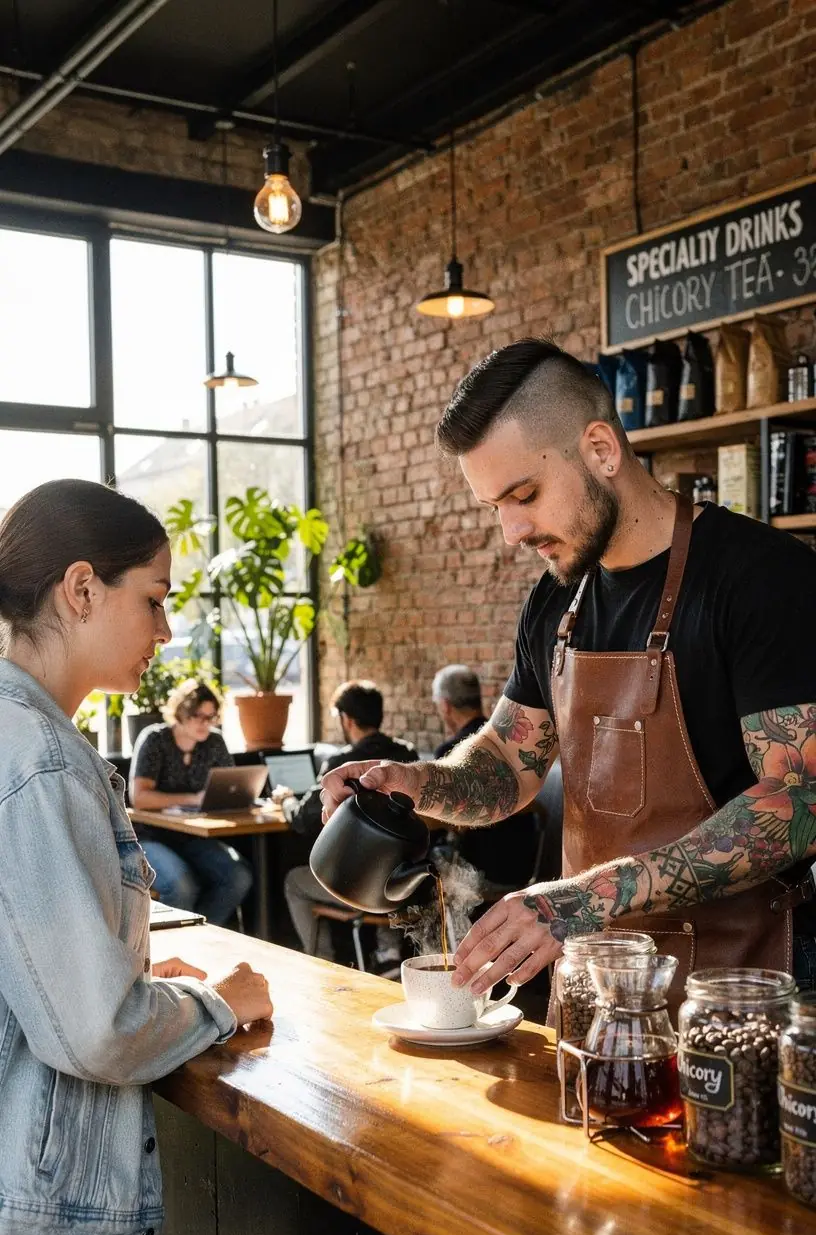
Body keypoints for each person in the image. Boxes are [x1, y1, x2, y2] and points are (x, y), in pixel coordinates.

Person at [322, 337, 816, 1008]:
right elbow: (506, 766)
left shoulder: (760, 578)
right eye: (495, 505)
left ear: (601, 451)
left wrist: (584, 898)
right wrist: (414, 785)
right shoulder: (558, 601)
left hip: (738, 993)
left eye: (524, 494)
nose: (512, 531)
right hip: (594, 988)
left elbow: (797, 808)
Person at [0, 479, 272, 1235]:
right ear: (81, 589)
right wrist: (221, 1006)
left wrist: (143, 986)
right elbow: (97, 1032)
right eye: (152, 598)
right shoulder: (34, 758)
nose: (163, 629)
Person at [284, 681, 418, 960]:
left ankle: (322, 962)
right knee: (386, 859)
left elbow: (303, 818)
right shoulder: (407, 755)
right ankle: (388, 950)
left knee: (294, 882)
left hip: (362, 888)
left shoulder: (344, 763)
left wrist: (284, 800)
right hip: (405, 883)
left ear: (348, 719)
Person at [129, 679, 253, 925]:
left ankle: (204, 934)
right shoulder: (155, 740)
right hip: (152, 837)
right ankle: (176, 950)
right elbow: (139, 798)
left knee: (238, 876)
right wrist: (194, 798)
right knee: (182, 885)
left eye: (211, 717)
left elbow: (231, 786)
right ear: (182, 713)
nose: (205, 723)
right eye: (199, 716)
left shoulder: (215, 743)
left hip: (195, 837)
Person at [431, 664, 537, 891]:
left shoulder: (451, 752)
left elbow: (444, 823)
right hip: (525, 868)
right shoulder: (509, 743)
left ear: (445, 706)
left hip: (480, 875)